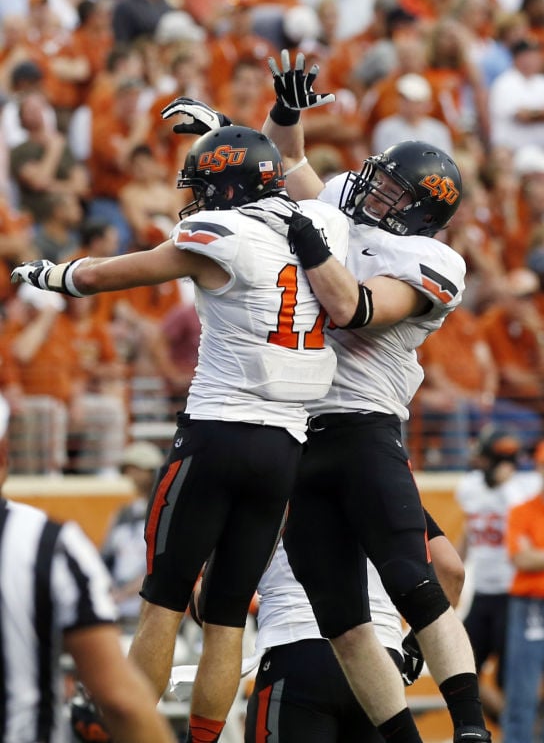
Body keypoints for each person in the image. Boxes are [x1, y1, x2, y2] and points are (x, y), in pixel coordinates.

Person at [161, 56, 489, 743]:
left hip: (364, 427)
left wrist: (305, 235)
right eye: (380, 181)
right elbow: (289, 166)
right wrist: (273, 118)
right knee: (341, 619)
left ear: (422, 213)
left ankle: (468, 729)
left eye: (395, 193)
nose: (373, 195)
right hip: (296, 432)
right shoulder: (347, 206)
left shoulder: (432, 264)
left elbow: (352, 307)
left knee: (413, 583)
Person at [11, 122, 349, 743]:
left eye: (204, 183)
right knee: (225, 617)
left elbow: (111, 274)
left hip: (216, 434)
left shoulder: (221, 235)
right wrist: (228, 132)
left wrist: (51, 276)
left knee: (163, 601)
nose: (195, 195)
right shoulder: (317, 229)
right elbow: (286, 180)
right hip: (284, 446)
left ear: (226, 186)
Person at [180, 509, 465, 743]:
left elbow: (212, 606)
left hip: (297, 655)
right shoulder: (383, 481)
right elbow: (451, 572)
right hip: (380, 662)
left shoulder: (273, 481)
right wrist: (414, 648)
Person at [0, 396, 178, 743]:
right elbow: (120, 699)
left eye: (135, 468)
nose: (130, 474)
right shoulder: (47, 543)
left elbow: (159, 571)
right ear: (5, 456)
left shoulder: (157, 516)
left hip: (131, 608)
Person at [455, 426, 540, 722]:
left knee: (510, 678)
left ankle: (522, 729)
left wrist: (505, 484)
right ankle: (520, 727)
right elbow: (469, 531)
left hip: (514, 596)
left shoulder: (524, 488)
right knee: (459, 669)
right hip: (483, 594)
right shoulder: (470, 486)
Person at [502, 438, 544, 742]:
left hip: (530, 601)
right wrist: (530, 557)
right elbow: (521, 558)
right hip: (529, 605)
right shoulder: (522, 511)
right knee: (522, 691)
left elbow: (531, 557)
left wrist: (537, 554)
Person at [101, 440, 165, 628]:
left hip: (149, 607)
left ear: (152, 472)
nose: (131, 475)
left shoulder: (165, 513)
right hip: (118, 609)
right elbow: (105, 557)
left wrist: (128, 591)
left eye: (136, 469)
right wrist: (110, 590)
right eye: (128, 469)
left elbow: (162, 563)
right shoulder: (123, 513)